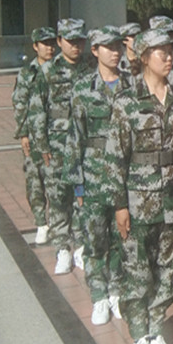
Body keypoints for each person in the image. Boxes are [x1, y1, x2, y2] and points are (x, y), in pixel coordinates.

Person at [107, 28, 173, 344]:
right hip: (139, 202)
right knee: (138, 272)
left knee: (167, 270)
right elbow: (115, 157)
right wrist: (119, 205)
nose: (169, 57)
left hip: (171, 199)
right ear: (143, 57)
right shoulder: (127, 102)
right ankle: (139, 335)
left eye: (171, 51)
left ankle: (156, 330)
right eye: (161, 52)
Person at [66, 26, 131, 325]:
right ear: (94, 50)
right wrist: (77, 185)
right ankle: (98, 296)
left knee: (121, 238)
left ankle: (116, 289)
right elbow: (74, 138)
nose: (115, 52)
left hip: (124, 178)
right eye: (108, 47)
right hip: (93, 178)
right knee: (95, 241)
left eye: (118, 46)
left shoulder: (131, 85)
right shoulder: (83, 89)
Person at [28, 18, 90, 274]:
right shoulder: (47, 71)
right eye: (70, 41)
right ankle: (62, 248)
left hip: (86, 148)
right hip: (57, 148)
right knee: (58, 198)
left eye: (80, 41)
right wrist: (42, 147)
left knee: (82, 199)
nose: (76, 46)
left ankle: (81, 247)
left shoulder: (91, 68)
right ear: (59, 41)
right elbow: (36, 110)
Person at [13, 26, 57, 245]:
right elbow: (19, 103)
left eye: (51, 43)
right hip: (32, 135)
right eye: (44, 44)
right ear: (35, 46)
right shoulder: (27, 73)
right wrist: (23, 133)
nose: (49, 48)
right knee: (34, 181)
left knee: (55, 181)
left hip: (55, 135)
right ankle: (41, 222)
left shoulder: (58, 70)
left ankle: (59, 224)